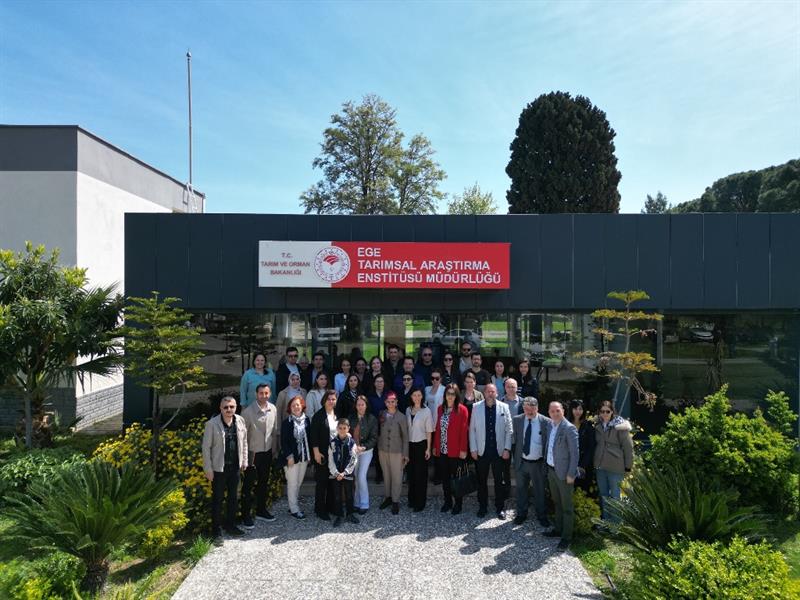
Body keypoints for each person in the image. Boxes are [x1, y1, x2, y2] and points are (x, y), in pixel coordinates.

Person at [202, 396, 248, 537]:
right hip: (219, 468)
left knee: (233, 498)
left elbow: (244, 442)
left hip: (235, 467)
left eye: (232, 407)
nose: (229, 409)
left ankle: (230, 525)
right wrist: (208, 469)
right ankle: (216, 530)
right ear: (220, 408)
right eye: (226, 407)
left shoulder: (240, 421)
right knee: (218, 499)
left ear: (236, 407)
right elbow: (206, 448)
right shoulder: (212, 424)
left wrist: (244, 461)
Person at [469, 383, 513, 519]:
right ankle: (483, 507)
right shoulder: (476, 407)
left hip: (498, 452)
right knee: (481, 481)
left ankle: (500, 508)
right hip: (481, 452)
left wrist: (507, 448)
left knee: (499, 481)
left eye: (493, 391)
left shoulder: (504, 407)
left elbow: (509, 430)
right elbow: (472, 430)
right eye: (488, 391)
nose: (490, 394)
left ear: (497, 393)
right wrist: (473, 448)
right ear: (484, 393)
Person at [241, 383, 279, 527]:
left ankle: (261, 510)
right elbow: (242, 437)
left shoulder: (273, 409)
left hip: (267, 452)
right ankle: (245, 515)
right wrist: (244, 457)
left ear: (270, 394)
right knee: (248, 485)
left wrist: (274, 450)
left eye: (266, 393)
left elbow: (274, 432)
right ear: (256, 394)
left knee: (263, 483)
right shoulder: (247, 412)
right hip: (253, 453)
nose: (264, 396)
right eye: (261, 393)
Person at [544, 400, 580, 551]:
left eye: (558, 410)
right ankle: (558, 529)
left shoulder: (569, 428)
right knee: (557, 503)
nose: (555, 413)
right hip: (552, 471)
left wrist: (571, 473)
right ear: (549, 413)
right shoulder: (550, 425)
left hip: (565, 474)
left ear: (563, 411)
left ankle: (566, 537)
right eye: (552, 411)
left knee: (567, 507)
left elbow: (575, 453)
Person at [512, 397, 551, 527]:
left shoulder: (546, 422)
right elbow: (515, 440)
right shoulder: (517, 420)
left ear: (537, 408)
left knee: (539, 490)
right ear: (523, 408)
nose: (529, 412)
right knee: (521, 489)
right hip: (521, 462)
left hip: (538, 463)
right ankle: (521, 514)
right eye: (526, 409)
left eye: (532, 409)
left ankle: (542, 515)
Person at [593, 399, 634, 521]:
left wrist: (628, 467)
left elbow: (628, 447)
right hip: (600, 467)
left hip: (615, 467)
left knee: (615, 497)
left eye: (607, 411)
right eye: (602, 411)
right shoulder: (597, 425)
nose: (605, 414)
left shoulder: (620, 426)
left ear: (612, 412)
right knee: (603, 495)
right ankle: (606, 523)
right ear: (599, 412)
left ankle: (615, 526)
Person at [433, 384, 469, 515]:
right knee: (445, 479)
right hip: (442, 450)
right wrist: (435, 446)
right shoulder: (440, 409)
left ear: (456, 395)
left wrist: (463, 450)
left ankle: (458, 504)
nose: (450, 396)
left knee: (456, 479)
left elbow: (464, 431)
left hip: (456, 451)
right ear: (445, 395)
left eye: (453, 394)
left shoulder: (462, 409)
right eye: (448, 393)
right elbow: (437, 429)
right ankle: (447, 502)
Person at [377, 391, 409, 515]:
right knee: (386, 475)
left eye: (393, 401)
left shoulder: (402, 417)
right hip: (383, 450)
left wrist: (405, 454)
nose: (390, 404)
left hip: (397, 451)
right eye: (388, 402)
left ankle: (395, 501)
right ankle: (388, 497)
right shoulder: (382, 414)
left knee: (397, 477)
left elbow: (405, 437)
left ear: (396, 402)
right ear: (385, 403)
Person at [280, 396, 311, 519]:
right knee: (292, 484)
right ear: (290, 408)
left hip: (303, 457)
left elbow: (309, 438)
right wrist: (289, 456)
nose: (296, 407)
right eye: (293, 405)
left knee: (298, 482)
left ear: (302, 405)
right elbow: (284, 442)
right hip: (292, 458)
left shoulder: (307, 420)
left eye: (298, 404)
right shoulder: (286, 422)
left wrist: (309, 455)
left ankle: (292, 504)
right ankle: (294, 509)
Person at [310, 389, 339, 520]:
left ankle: (331, 507)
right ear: (324, 400)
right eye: (329, 399)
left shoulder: (336, 414)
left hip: (334, 454)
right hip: (322, 453)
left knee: (332, 481)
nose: (331, 401)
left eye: (333, 399)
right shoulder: (318, 416)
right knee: (322, 482)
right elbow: (313, 436)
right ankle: (320, 509)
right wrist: (316, 452)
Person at [406, 388, 434, 512]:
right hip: (410, 445)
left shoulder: (426, 411)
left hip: (421, 445)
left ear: (422, 396)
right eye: (414, 395)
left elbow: (429, 431)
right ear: (411, 396)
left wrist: (428, 448)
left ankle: (420, 502)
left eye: (419, 395)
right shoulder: (408, 410)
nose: (416, 397)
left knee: (420, 475)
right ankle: (411, 500)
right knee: (411, 473)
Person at [349, 395, 378, 514]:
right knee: (355, 476)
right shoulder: (351, 418)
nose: (360, 407)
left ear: (366, 406)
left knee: (361, 476)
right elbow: (347, 434)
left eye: (362, 404)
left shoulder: (372, 419)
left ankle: (365, 504)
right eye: (358, 405)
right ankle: (356, 503)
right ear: (355, 406)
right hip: (354, 451)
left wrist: (364, 446)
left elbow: (374, 438)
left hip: (366, 451)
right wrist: (353, 446)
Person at [328, 418, 359, 527]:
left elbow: (353, 459)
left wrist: (345, 472)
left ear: (348, 429)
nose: (342, 430)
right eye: (340, 428)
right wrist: (336, 472)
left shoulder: (352, 443)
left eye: (344, 428)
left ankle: (350, 513)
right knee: (337, 495)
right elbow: (330, 459)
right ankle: (339, 515)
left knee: (349, 494)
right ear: (337, 429)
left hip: (347, 474)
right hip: (336, 474)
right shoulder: (332, 443)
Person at [569, 399, 596, 496]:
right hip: (568, 464)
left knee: (583, 492)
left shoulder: (588, 426)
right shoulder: (565, 424)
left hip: (584, 465)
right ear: (571, 410)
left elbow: (591, 447)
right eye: (575, 409)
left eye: (580, 409)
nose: (577, 411)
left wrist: (582, 465)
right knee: (569, 491)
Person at [275, 372, 307, 443]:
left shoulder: (304, 392)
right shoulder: (282, 394)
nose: (295, 381)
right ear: (289, 380)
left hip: (301, 424)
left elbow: (305, 408)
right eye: (293, 379)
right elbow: (278, 412)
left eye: (297, 379)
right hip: (287, 424)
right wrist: (278, 429)